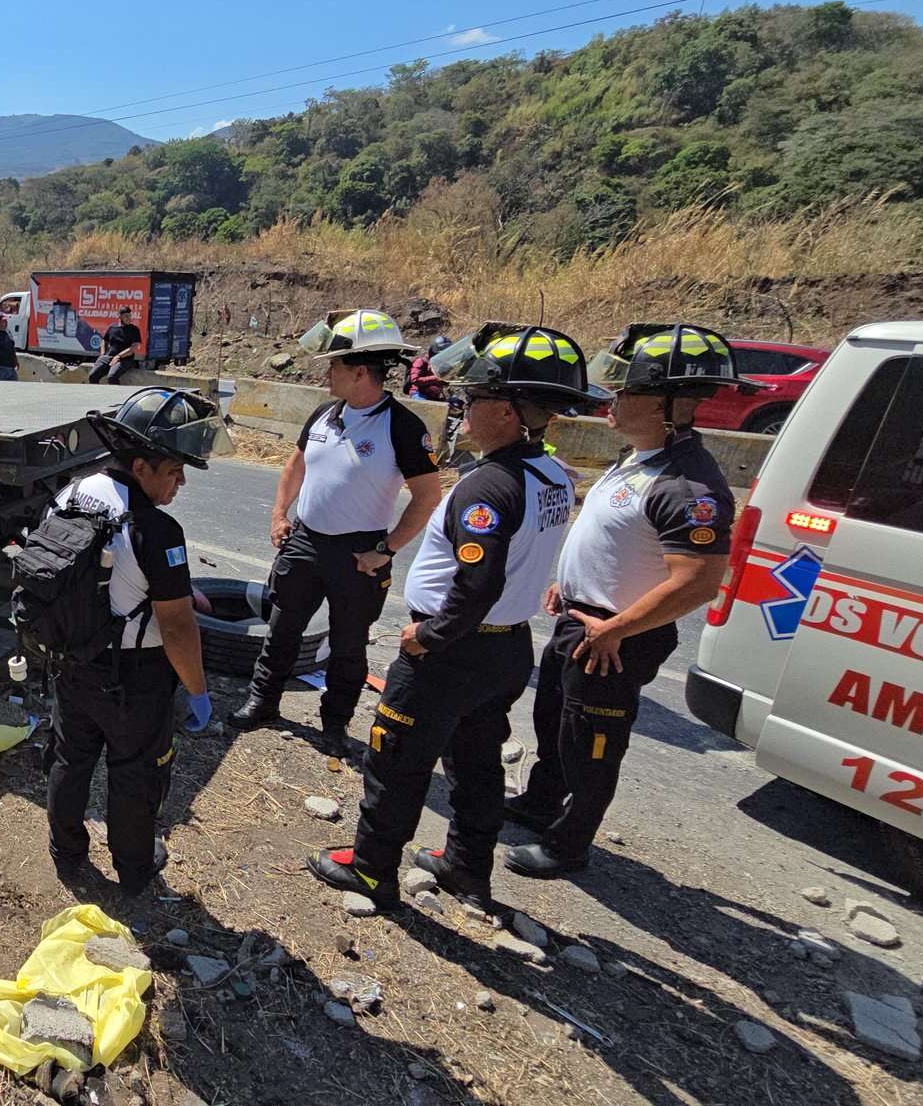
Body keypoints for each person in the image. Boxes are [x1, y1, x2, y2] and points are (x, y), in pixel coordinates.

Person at [308, 323, 603, 911]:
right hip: (506, 647)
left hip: (451, 652)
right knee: (477, 762)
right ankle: (466, 868)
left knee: (395, 757)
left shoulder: (487, 487)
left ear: (512, 411)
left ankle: (371, 869)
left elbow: (478, 581)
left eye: (473, 400)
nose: (461, 409)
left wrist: (430, 635)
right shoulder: (549, 474)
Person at [504, 323, 749, 877]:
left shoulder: (688, 487)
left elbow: (699, 580)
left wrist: (617, 630)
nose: (612, 401)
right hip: (584, 622)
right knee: (555, 724)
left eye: (627, 393)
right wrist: (568, 583)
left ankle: (569, 846)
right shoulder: (640, 458)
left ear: (669, 406)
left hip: (615, 637)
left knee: (593, 745)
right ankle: (541, 803)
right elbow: (615, 538)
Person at [229, 311, 443, 758]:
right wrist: (279, 513)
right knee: (282, 628)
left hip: (358, 552)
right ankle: (262, 703)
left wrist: (387, 550)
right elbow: (296, 465)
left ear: (361, 371)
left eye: (335, 365)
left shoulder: (402, 427)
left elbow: (426, 495)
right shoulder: (324, 414)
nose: (327, 373)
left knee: (348, 645)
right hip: (305, 541)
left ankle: (334, 724)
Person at [43, 388, 226, 898]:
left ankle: (66, 851)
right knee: (135, 775)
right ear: (141, 465)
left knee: (69, 759)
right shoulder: (157, 529)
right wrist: (197, 689)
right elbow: (177, 627)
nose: (181, 482)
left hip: (71, 662)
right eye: (174, 471)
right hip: (135, 679)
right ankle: (135, 867)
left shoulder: (69, 496)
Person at [88, 306, 142, 385]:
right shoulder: (112, 328)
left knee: (112, 377)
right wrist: (102, 354)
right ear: (120, 316)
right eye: (126, 316)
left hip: (125, 359)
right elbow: (104, 340)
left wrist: (118, 356)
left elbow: (133, 348)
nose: (129, 318)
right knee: (92, 375)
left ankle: (115, 395)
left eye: (130, 316)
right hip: (109, 357)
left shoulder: (134, 329)